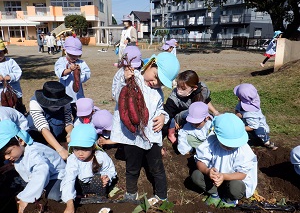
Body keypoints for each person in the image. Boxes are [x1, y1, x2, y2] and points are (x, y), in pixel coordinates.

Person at [110, 52, 180, 201]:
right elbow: (116, 95)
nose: (155, 82)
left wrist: (163, 116)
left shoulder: (158, 92)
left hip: (151, 136)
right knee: (132, 167)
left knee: (157, 168)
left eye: (160, 81)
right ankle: (131, 192)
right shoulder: (131, 77)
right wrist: (124, 79)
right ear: (150, 64)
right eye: (155, 76)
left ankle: (161, 196)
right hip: (132, 136)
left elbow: (161, 108)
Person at [191, 113, 258, 208]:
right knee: (196, 175)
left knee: (236, 187)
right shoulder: (211, 141)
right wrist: (207, 171)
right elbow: (200, 161)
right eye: (226, 144)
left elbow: (242, 174)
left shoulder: (244, 151)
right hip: (214, 179)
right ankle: (214, 194)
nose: (230, 146)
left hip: (233, 180)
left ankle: (229, 199)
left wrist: (223, 176)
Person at [0, 119, 66, 213]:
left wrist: (26, 198)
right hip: (43, 177)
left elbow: (42, 172)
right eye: (4, 155)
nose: (7, 157)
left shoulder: (34, 153)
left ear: (21, 140)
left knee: (52, 196)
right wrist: (12, 166)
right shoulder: (20, 152)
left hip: (57, 177)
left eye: (9, 152)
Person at [61, 124, 117, 213]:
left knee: (99, 180)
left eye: (85, 149)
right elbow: (69, 179)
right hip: (81, 184)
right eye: (76, 149)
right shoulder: (73, 159)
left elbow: (110, 169)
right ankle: (78, 195)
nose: (80, 153)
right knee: (72, 182)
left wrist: (107, 176)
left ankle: (100, 198)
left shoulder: (100, 156)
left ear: (93, 146)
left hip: (95, 184)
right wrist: (69, 203)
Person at [163, 70, 219, 144]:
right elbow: (167, 114)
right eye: (178, 87)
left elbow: (206, 101)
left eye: (183, 88)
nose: (179, 90)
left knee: (210, 117)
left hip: (193, 115)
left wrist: (215, 112)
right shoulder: (174, 97)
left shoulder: (202, 90)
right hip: (180, 116)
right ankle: (172, 134)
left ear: (194, 88)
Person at [29, 81, 73, 160]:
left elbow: (68, 119)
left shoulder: (65, 102)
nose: (56, 106)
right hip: (39, 135)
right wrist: (60, 149)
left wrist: (70, 133)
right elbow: (43, 127)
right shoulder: (34, 103)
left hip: (58, 133)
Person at [54, 36, 91, 118]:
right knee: (65, 115)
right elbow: (60, 72)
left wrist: (79, 72)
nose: (74, 57)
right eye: (71, 55)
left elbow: (87, 74)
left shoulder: (81, 63)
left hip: (77, 96)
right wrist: (70, 70)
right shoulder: (61, 61)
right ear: (65, 51)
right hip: (65, 95)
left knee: (78, 114)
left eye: (76, 55)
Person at [234, 83, 278, 150]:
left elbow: (253, 127)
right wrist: (237, 113)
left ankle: (267, 143)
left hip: (258, 127)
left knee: (259, 132)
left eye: (239, 96)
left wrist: (238, 128)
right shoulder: (250, 100)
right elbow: (237, 108)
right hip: (248, 122)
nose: (237, 98)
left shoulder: (251, 114)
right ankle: (250, 137)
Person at [0, 40, 27, 115]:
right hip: (1, 92)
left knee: (18, 106)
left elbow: (18, 72)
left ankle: (22, 117)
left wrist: (10, 76)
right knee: (5, 110)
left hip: (14, 90)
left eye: (0, 53)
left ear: (4, 52)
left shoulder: (10, 61)